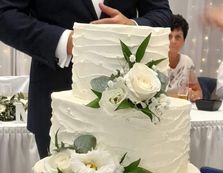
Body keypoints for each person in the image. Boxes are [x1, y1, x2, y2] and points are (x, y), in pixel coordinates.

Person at [0, 1, 172, 159]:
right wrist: (64, 41)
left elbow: (161, 13)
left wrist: (132, 26)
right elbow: (5, 15)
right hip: (56, 104)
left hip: (130, 107)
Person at [167, 14, 202, 102]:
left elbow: (198, 91)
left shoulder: (187, 62)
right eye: (169, 36)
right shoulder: (155, 61)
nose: (173, 41)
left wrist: (193, 95)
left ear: (184, 41)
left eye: (178, 37)